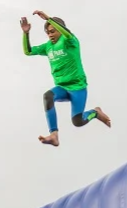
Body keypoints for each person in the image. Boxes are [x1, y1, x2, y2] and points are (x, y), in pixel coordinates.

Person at [21, 10, 111, 147]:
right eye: (48, 32)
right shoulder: (48, 47)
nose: (50, 35)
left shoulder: (70, 41)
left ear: (60, 29)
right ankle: (54, 135)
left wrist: (48, 18)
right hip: (62, 88)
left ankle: (95, 112)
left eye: (53, 31)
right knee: (47, 96)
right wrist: (26, 33)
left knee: (78, 121)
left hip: (77, 88)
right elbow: (28, 51)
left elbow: (67, 33)